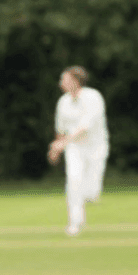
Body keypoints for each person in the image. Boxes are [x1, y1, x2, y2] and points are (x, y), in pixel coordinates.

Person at [48, 66, 109, 236]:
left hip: (96, 146)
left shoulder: (93, 97)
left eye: (64, 79)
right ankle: (75, 222)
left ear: (75, 81)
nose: (61, 83)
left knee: (91, 192)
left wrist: (63, 143)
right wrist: (57, 147)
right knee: (74, 181)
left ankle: (87, 196)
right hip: (75, 148)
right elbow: (61, 129)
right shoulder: (63, 102)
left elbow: (85, 127)